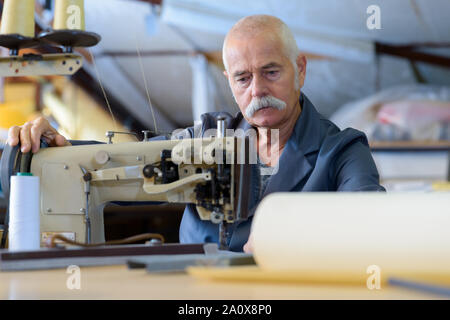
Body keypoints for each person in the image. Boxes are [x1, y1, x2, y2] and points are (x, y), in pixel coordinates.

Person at [6, 15, 385, 253]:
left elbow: (371, 225)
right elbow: (120, 164)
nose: (257, 90)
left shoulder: (342, 151)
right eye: (243, 78)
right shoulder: (202, 138)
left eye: (271, 72)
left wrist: (290, 234)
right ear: (229, 82)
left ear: (300, 69)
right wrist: (62, 148)